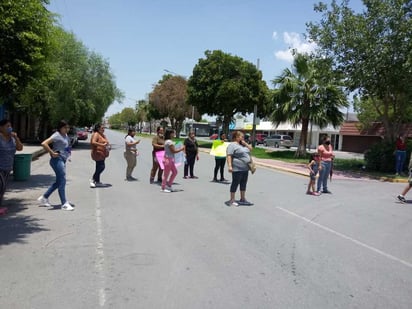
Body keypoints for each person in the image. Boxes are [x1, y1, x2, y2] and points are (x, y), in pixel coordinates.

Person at [37, 120, 74, 210]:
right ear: (60, 128)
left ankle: (44, 198)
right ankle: (64, 203)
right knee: (63, 180)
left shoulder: (65, 136)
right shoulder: (56, 135)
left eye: (68, 127)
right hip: (56, 160)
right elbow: (44, 143)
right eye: (65, 127)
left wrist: (68, 155)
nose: (67, 129)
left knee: (58, 182)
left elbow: (67, 147)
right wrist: (52, 152)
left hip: (63, 160)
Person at [226, 130, 253, 206]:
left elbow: (251, 149)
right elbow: (229, 156)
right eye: (242, 136)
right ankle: (232, 199)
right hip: (237, 168)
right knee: (235, 183)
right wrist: (230, 166)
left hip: (245, 168)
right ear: (237, 137)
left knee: (243, 183)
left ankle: (243, 198)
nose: (243, 137)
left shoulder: (243, 145)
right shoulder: (232, 145)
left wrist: (245, 144)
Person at [0, 119, 23, 206]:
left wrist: (16, 138)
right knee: (1, 186)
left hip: (8, 167)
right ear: (1, 128)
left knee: (3, 188)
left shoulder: (12, 139)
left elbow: (20, 148)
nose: (10, 128)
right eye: (7, 126)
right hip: (0, 167)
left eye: (10, 126)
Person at [161, 129, 185, 193]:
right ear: (170, 134)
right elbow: (173, 151)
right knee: (166, 174)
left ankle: (169, 184)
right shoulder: (169, 142)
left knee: (175, 172)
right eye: (173, 133)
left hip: (170, 159)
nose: (174, 134)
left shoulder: (169, 141)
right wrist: (181, 149)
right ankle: (163, 187)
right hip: (168, 159)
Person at [90, 123, 110, 188]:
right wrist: (102, 145)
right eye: (102, 128)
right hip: (97, 153)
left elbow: (106, 142)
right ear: (98, 128)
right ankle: (93, 179)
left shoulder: (103, 135)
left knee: (98, 167)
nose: (103, 129)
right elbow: (93, 142)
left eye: (104, 128)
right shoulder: (96, 134)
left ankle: (97, 181)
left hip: (103, 154)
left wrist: (108, 146)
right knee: (101, 167)